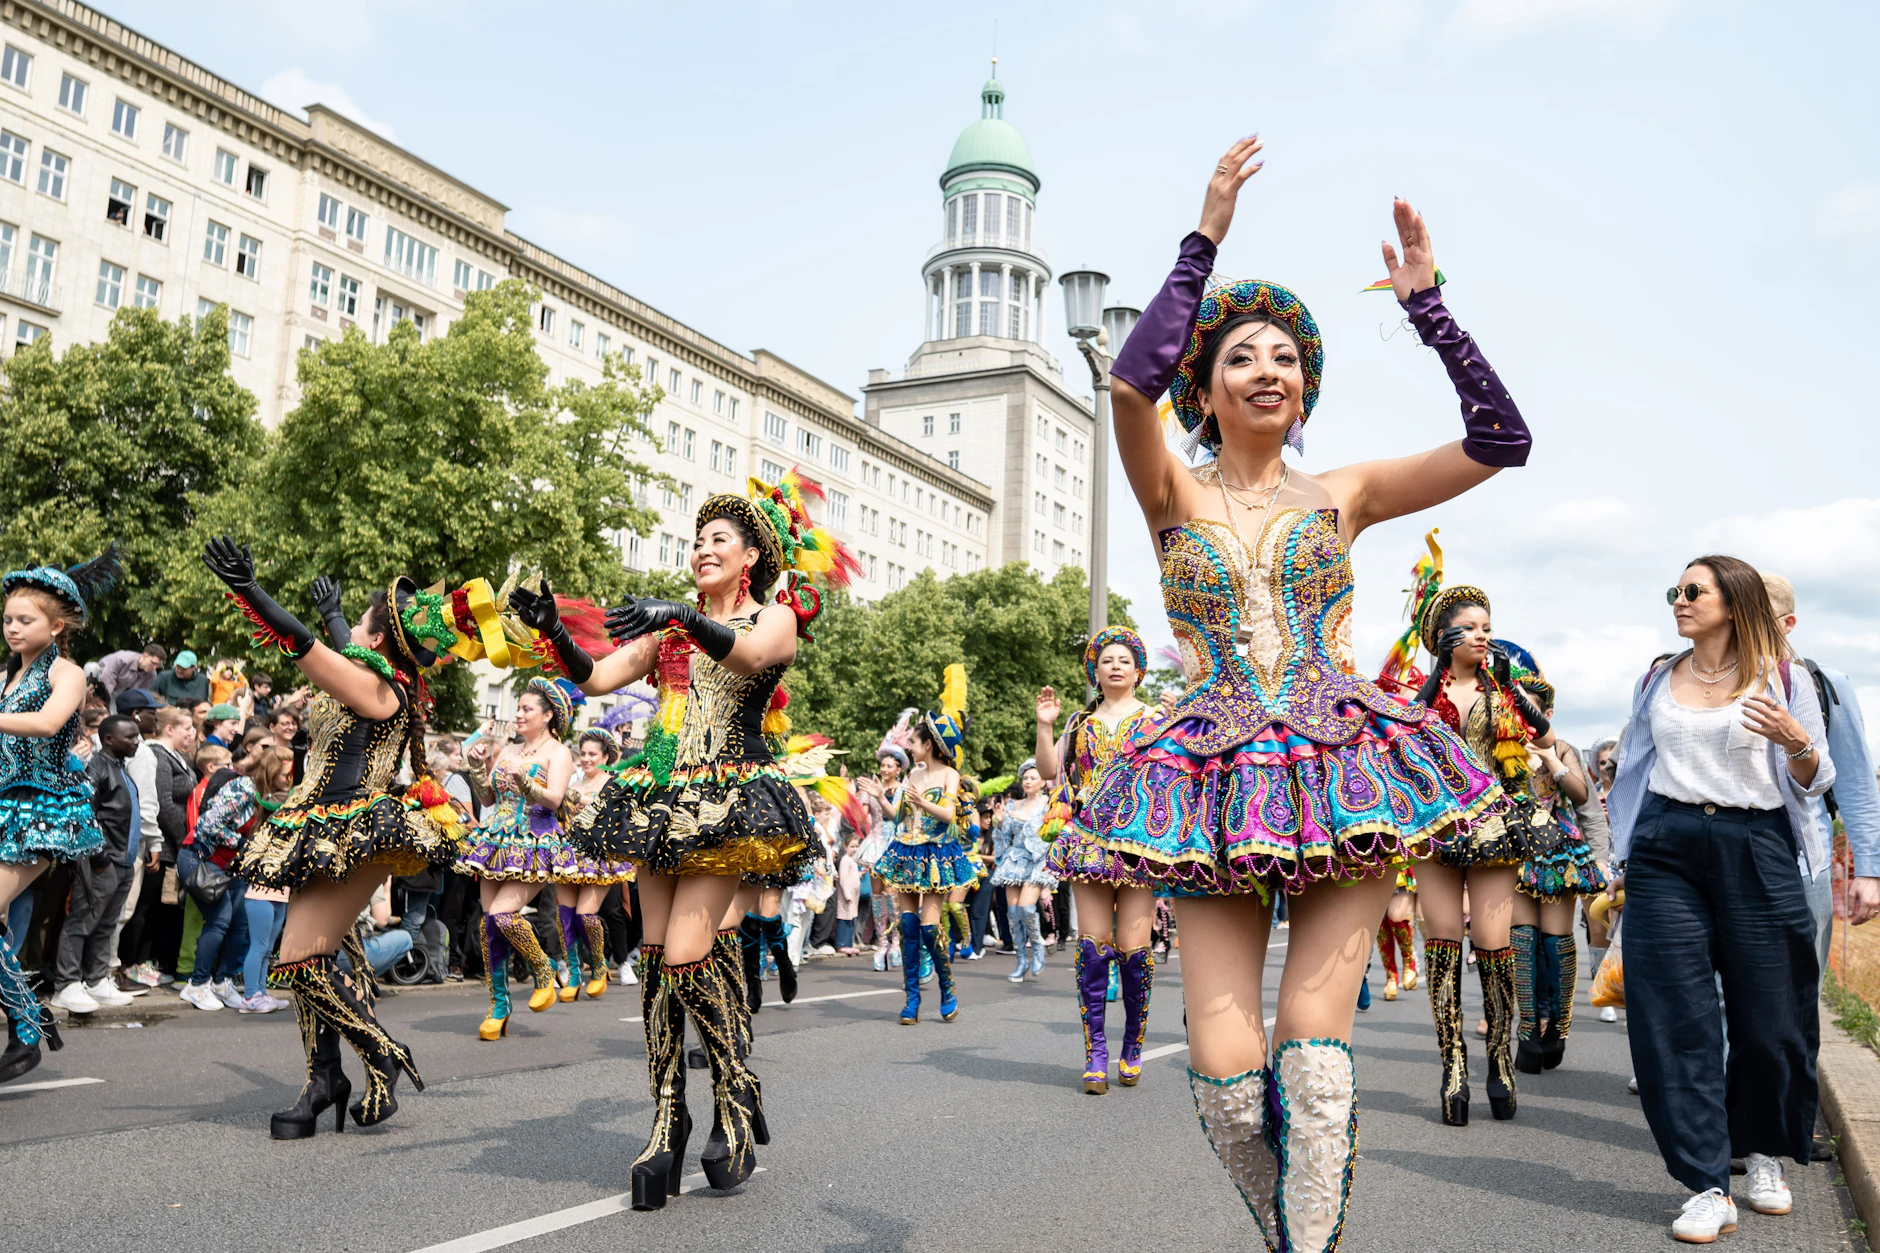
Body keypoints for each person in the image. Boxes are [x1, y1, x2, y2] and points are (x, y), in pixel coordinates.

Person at [1074, 138, 1525, 1249]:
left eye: (1284, 355)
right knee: (1228, 1083)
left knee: (1313, 1064)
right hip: (1207, 777)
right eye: (1241, 356)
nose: (1266, 367)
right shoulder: (1166, 487)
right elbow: (1128, 382)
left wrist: (1429, 311)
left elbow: (1500, 440)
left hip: (1341, 770)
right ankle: (1289, 1226)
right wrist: (1204, 237)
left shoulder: (1348, 491)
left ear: (1303, 385)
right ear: (1208, 383)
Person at [540, 470, 854, 1209]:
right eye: (696, 540)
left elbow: (746, 658)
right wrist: (552, 629)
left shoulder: (773, 617)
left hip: (730, 798)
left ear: (750, 557)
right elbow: (594, 679)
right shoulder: (669, 631)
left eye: (718, 540)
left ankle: (736, 1095)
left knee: (687, 950)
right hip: (658, 796)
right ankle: (668, 1116)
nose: (702, 549)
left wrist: (684, 614)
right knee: (654, 960)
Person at [200, 543, 467, 1137]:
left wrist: (251, 591)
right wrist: (337, 615)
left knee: (298, 962)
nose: (353, 636)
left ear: (376, 642)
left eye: (362, 629)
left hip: (350, 826)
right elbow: (343, 647)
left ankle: (383, 1052)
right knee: (318, 955)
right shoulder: (376, 673)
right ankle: (323, 1081)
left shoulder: (381, 687)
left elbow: (307, 649)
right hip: (316, 825)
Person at [1606, 555, 1834, 1243]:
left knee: (1772, 1020)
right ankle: (1707, 1182)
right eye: (1675, 590)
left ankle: (1763, 1154)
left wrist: (1795, 742)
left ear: (1731, 602)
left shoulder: (1784, 676)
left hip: (1755, 841)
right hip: (1666, 845)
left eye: (1693, 590)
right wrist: (1622, 855)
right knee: (1675, 1018)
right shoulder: (1658, 676)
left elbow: (1817, 776)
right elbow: (1634, 768)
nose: (1679, 599)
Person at [1402, 581, 1561, 1124]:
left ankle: (1500, 1061)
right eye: (1468, 629)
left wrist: (1510, 688)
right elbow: (1401, 738)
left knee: (1494, 944)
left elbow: (1542, 735)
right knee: (1442, 941)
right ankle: (1452, 1069)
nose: (1481, 637)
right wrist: (1428, 686)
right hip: (1435, 826)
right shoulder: (1421, 697)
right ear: (1442, 638)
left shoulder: (1502, 690)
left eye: (1487, 629)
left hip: (1494, 826)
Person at [454, 677, 633, 1041]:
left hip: (536, 843)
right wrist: (476, 767)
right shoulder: (506, 751)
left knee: (504, 915)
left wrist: (526, 784)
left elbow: (552, 800)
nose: (518, 714)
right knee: (488, 927)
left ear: (547, 715)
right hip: (497, 841)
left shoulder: (558, 753)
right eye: (517, 708)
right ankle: (498, 1006)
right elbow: (487, 799)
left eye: (526, 709)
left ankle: (544, 968)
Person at [0, 552, 121, 1081]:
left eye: (24, 620)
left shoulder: (67, 672)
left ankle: (26, 1028)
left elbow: (49, 724)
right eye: (7, 619)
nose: (12, 628)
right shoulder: (7, 675)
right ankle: (29, 1020)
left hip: (44, 812)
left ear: (57, 624)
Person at [1041, 626, 1162, 1094]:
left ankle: (1133, 1044)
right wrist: (1046, 725)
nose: (1115, 665)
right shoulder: (1077, 724)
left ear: (1137, 672)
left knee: (1134, 952)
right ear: (1095, 671)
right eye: (1106, 659)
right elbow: (1051, 773)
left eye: (1124, 660)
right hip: (1088, 837)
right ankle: (1095, 1053)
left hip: (1139, 840)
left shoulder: (1156, 718)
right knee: (1093, 946)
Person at [1761, 574, 1880, 976]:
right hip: (1727, 864)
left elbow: (1857, 782)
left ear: (1787, 622)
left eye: (1757, 613)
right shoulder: (1708, 683)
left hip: (1805, 865)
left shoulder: (1824, 683)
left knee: (1800, 995)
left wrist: (1868, 870)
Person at [856, 669, 976, 1028]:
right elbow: (899, 815)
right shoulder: (914, 775)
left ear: (931, 745)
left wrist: (923, 802)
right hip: (905, 851)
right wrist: (882, 797)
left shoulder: (948, 776)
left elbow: (950, 815)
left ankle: (948, 988)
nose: (910, 746)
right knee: (906, 926)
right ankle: (911, 999)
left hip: (936, 855)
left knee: (928, 928)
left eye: (916, 742)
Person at [1507, 673, 1606, 1073]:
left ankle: (1558, 1030)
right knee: (1521, 941)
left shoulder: (1564, 749)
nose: (1524, 719)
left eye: (1532, 711)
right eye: (1517, 710)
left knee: (1555, 941)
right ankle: (1528, 1031)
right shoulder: (1501, 750)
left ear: (1546, 713)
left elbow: (1585, 802)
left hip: (1558, 858)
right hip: (1512, 855)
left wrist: (1548, 757)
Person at [52, 712, 143, 1014]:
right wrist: (100, 858)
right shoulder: (96, 767)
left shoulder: (120, 768)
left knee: (105, 925)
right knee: (81, 921)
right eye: (130, 736)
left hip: (123, 861)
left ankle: (95, 979)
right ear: (108, 739)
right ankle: (66, 985)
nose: (136, 741)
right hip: (101, 861)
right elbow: (84, 813)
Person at [989, 762, 1053, 984]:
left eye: (1033, 778)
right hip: (1014, 860)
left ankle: (1037, 947)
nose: (1027, 781)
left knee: (1027, 908)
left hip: (1036, 860)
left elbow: (1049, 833)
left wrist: (1029, 821)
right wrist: (999, 822)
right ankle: (1021, 960)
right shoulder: (1013, 805)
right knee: (1013, 914)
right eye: (1025, 778)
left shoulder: (1048, 804)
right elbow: (1004, 839)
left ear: (1043, 782)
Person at [98, 643, 165, 711]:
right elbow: (107, 682)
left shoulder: (152, 675)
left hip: (118, 692)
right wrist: (104, 704)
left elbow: (137, 695)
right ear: (145, 656)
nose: (154, 668)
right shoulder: (122, 659)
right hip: (101, 681)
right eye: (153, 663)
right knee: (91, 667)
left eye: (157, 665)